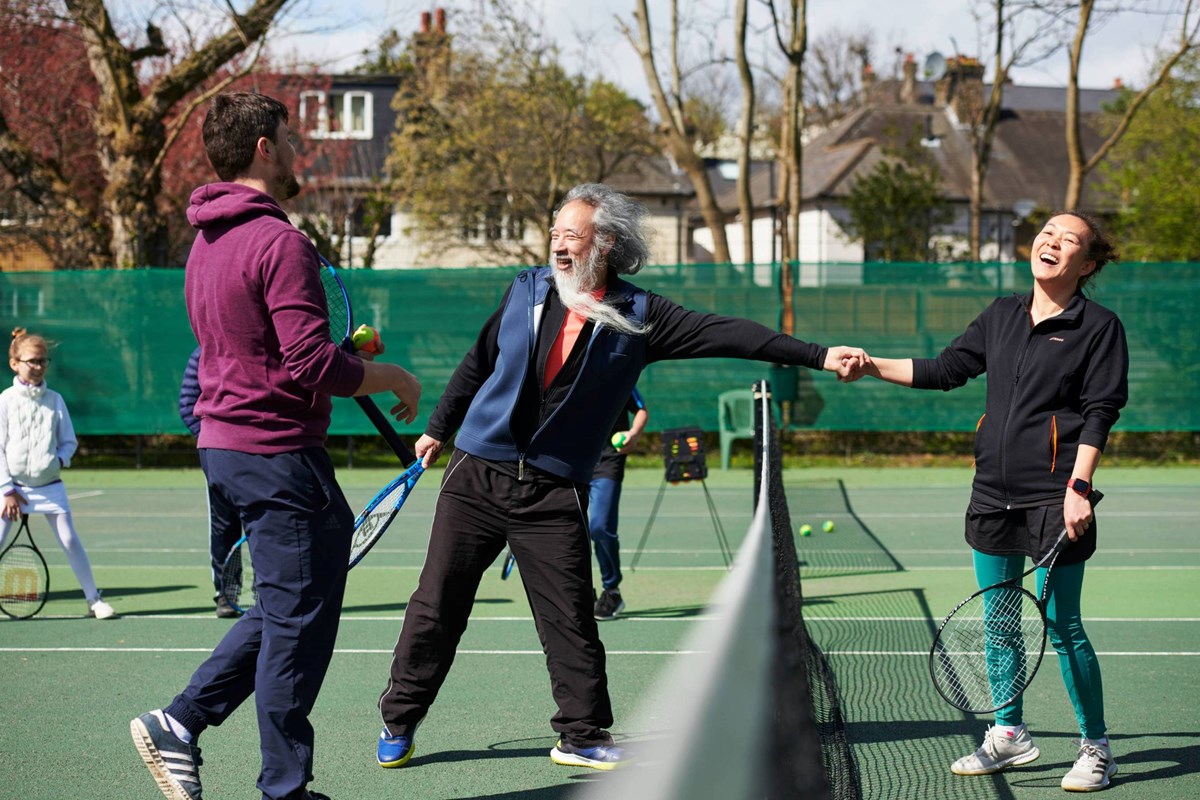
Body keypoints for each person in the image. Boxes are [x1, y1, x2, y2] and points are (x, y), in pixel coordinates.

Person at [374, 182, 865, 772]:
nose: (558, 244)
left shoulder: (641, 315)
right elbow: (477, 362)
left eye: (572, 234)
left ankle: (580, 735)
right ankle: (400, 718)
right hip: (476, 474)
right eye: (555, 233)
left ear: (604, 243)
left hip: (553, 491)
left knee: (570, 617)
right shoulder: (526, 289)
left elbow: (730, 333)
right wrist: (438, 427)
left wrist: (818, 354)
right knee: (437, 605)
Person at [130, 91, 421, 800]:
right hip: (276, 454)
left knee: (294, 602)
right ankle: (281, 788)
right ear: (264, 148)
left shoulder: (206, 243)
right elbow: (313, 364)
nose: (298, 153)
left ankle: (180, 722)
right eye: (290, 140)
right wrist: (392, 376)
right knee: (298, 623)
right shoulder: (280, 243)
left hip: (228, 447)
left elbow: (261, 348)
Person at [855, 211, 1128, 792]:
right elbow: (945, 369)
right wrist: (872, 364)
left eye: (1068, 240)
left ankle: (1096, 748)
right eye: (1047, 233)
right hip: (991, 495)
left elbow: (1100, 410)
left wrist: (1079, 487)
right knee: (998, 622)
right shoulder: (1002, 313)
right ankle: (1008, 734)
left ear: (1087, 264)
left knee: (1062, 625)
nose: (1051, 242)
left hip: (1054, 498)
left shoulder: (1099, 327)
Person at [0, 328, 115, 620]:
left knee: (69, 539)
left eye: (43, 361)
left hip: (50, 486)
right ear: (14, 363)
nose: (38, 367)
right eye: (32, 361)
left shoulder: (55, 400)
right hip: (11, 489)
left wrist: (57, 460)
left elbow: (69, 441)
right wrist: (7, 490)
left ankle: (93, 600)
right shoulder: (5, 401)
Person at [178, 345, 243, 619]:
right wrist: (213, 442)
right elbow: (187, 405)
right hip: (220, 458)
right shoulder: (202, 353)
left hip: (266, 456)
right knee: (223, 527)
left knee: (269, 525)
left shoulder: (264, 345)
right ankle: (226, 593)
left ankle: (268, 591)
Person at [590, 387, 648, 621]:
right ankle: (580, 590)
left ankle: (612, 591)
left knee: (599, 526)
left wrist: (633, 433)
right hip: (570, 461)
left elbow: (641, 410)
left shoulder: (619, 372)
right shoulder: (566, 374)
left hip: (607, 461)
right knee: (568, 529)